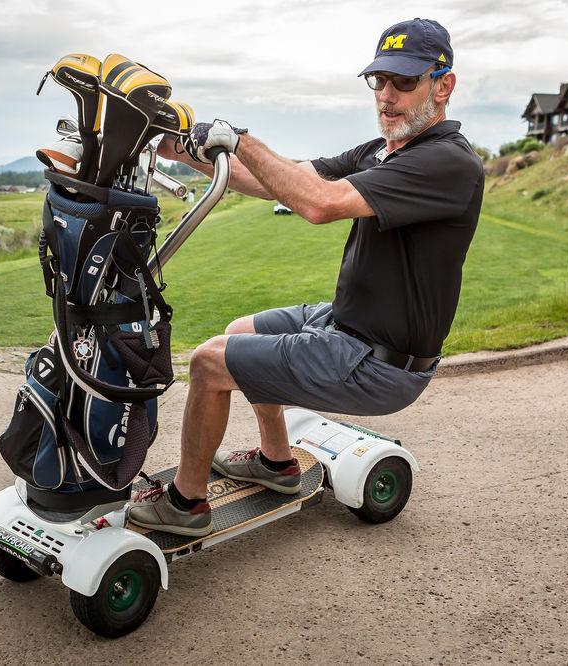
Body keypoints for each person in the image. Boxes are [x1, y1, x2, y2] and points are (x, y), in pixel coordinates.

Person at [127, 18, 484, 536]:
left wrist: (239, 138)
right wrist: (181, 149)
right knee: (238, 332)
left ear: (444, 84)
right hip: (345, 325)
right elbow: (281, 181)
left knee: (208, 363)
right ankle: (277, 463)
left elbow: (319, 203)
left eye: (404, 82)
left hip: (379, 363)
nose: (387, 96)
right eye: (379, 81)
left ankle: (186, 504)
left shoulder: (448, 164)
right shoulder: (380, 152)